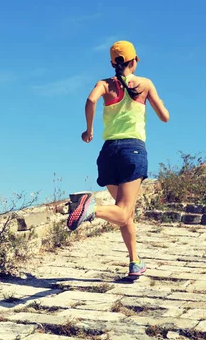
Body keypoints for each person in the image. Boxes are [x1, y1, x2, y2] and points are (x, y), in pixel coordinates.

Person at [67, 40, 169, 277]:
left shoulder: (104, 84)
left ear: (113, 63)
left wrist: (88, 130)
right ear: (135, 61)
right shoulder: (145, 84)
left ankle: (135, 262)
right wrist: (157, 102)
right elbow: (165, 117)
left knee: (126, 213)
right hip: (132, 150)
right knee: (122, 211)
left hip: (108, 153)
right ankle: (91, 209)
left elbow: (91, 100)